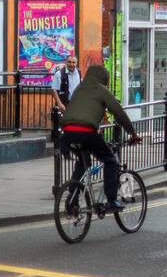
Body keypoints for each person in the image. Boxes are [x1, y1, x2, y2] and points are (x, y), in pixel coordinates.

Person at [59, 63, 140, 212]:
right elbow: (119, 113)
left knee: (83, 163)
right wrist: (133, 134)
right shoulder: (101, 90)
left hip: (67, 133)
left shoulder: (79, 88)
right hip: (85, 132)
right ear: (104, 78)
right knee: (110, 160)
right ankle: (111, 200)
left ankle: (73, 199)